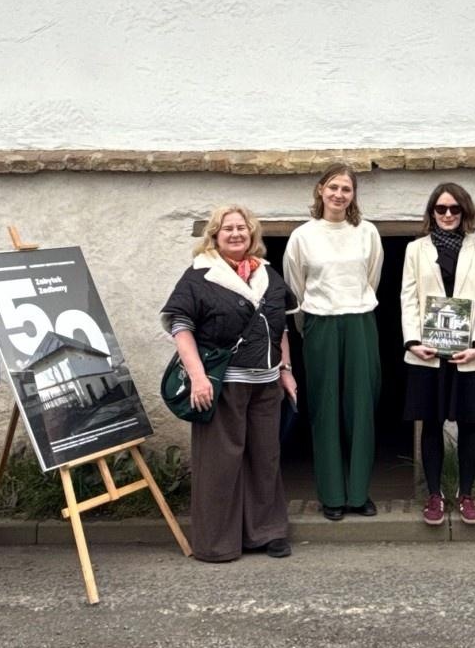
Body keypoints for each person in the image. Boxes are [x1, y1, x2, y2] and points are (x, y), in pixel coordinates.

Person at [160, 205, 298, 562]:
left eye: (242, 228)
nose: (236, 234)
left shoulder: (267, 274)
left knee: (264, 459)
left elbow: (280, 327)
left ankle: (267, 532)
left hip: (266, 383)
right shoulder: (199, 275)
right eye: (228, 229)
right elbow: (181, 327)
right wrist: (198, 377)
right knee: (220, 464)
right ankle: (218, 542)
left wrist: (285, 370)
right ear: (215, 236)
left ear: (252, 234)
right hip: (223, 384)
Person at [284, 164, 383, 521]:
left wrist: (352, 305)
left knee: (361, 405)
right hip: (320, 323)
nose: (339, 195)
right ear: (320, 189)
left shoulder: (367, 232)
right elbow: (295, 288)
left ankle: (358, 493)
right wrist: (309, 326)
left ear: (353, 195)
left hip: (359, 321)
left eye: (346, 189)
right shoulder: (303, 236)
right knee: (325, 407)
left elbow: (372, 277)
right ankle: (332, 495)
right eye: (333, 187)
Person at [400, 182, 475, 527]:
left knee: (470, 423)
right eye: (440, 209)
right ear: (432, 212)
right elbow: (408, 299)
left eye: (454, 209)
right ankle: (434, 494)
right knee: (431, 423)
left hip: (468, 352)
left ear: (464, 212)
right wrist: (413, 342)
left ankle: (466, 493)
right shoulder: (415, 250)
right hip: (427, 352)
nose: (447, 214)